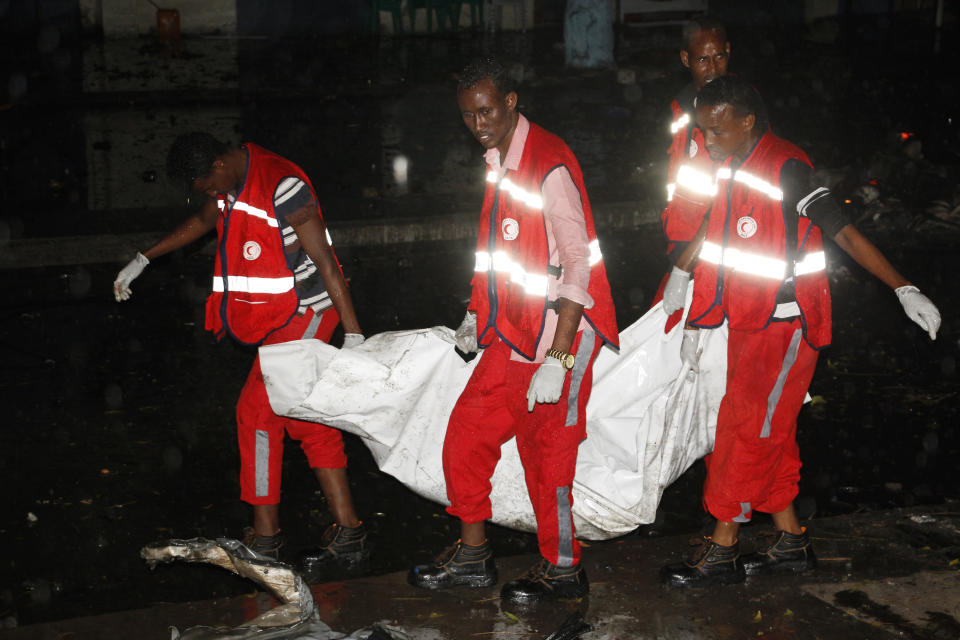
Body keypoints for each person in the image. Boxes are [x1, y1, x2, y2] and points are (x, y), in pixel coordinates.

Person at [659, 76, 941, 587]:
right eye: (704, 130)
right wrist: (689, 285)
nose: (708, 140)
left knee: (745, 429)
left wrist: (903, 288)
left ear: (748, 122)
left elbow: (844, 231)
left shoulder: (787, 167)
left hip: (785, 327)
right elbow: (721, 238)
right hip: (750, 319)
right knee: (771, 429)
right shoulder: (732, 164)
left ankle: (722, 543)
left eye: (717, 130)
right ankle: (790, 540)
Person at [407, 57, 619, 603]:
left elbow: (579, 266)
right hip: (514, 329)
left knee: (547, 453)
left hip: (560, 334)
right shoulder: (500, 158)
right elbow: (497, 251)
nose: (477, 124)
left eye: (485, 111)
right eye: (467, 115)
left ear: (511, 102)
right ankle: (475, 554)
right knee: (466, 433)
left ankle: (565, 568)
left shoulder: (549, 165)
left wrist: (560, 359)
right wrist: (477, 313)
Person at [112, 133, 369, 566]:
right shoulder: (228, 184)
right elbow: (205, 218)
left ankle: (268, 537)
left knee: (257, 412)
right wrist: (143, 258)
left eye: (210, 187)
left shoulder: (282, 184)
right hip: (280, 315)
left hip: (308, 311)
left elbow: (325, 260)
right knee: (305, 420)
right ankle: (349, 532)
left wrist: (354, 334)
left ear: (217, 165)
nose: (213, 197)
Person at [656, 15, 731, 332]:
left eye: (719, 56)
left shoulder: (739, 113)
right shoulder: (681, 106)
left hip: (715, 249)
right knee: (664, 333)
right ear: (686, 59)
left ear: (729, 51)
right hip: (681, 243)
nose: (713, 68)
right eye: (703, 59)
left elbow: (733, 199)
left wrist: (686, 266)